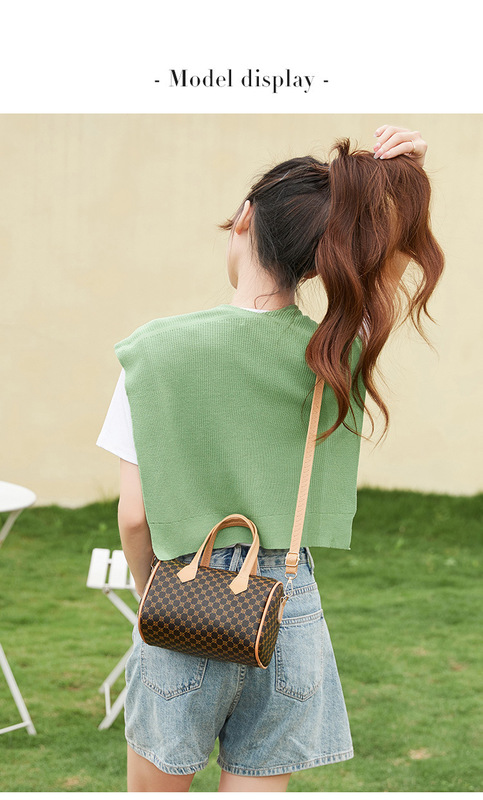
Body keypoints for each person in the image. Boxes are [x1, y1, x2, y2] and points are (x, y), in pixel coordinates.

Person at [97, 124, 445, 792]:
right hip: (288, 601)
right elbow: (392, 267)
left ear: (244, 218)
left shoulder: (151, 353)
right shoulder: (332, 354)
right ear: (315, 260)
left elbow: (135, 517)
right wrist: (406, 181)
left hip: (182, 592)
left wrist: (155, 603)